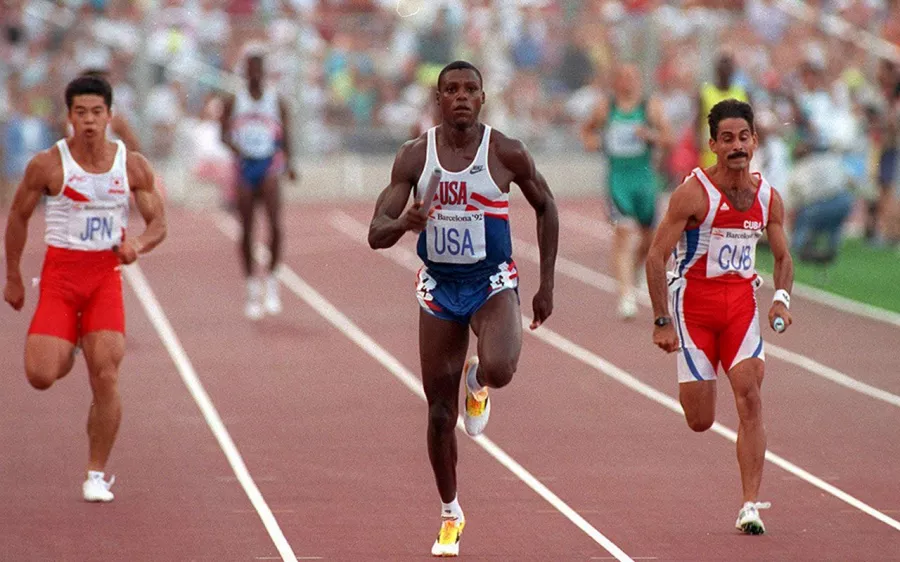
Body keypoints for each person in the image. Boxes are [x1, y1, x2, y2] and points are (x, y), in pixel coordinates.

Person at [367, 60, 558, 557]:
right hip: (439, 287)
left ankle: (479, 382)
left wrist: (547, 285)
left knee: (500, 367)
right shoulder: (414, 157)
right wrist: (406, 221)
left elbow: (546, 206)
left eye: (470, 89)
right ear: (438, 99)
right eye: (450, 89)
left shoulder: (506, 152)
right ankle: (451, 512)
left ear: (483, 98)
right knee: (436, 415)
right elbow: (375, 233)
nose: (460, 97)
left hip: (491, 281)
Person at [3, 74, 167, 502]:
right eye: (81, 113)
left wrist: (137, 245)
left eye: (97, 113)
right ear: (69, 116)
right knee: (41, 375)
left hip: (104, 278)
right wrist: (14, 275)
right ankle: (69, 345)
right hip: (60, 277)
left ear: (110, 116)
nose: (90, 121)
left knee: (107, 374)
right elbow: (18, 217)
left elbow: (158, 224)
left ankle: (96, 473)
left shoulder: (131, 165)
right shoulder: (48, 165)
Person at [645, 99, 794, 535]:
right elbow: (656, 257)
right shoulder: (693, 193)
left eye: (743, 138)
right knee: (700, 420)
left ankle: (750, 505)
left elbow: (783, 256)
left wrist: (781, 297)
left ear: (755, 142)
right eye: (726, 139)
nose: (736, 146)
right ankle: (699, 392)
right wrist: (660, 321)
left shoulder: (767, 197)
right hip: (693, 311)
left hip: (740, 310)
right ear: (712, 144)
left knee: (750, 397)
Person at [581, 63, 673, 319]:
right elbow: (586, 131)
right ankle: (626, 295)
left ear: (639, 81)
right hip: (618, 179)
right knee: (623, 233)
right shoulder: (605, 107)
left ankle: (636, 271)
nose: (627, 82)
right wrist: (593, 142)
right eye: (622, 77)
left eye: (632, 77)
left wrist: (650, 136)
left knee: (649, 237)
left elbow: (669, 139)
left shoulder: (649, 107)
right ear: (615, 81)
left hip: (644, 179)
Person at [220, 46, 297, 320]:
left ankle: (273, 282)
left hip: (268, 163)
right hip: (245, 165)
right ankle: (252, 287)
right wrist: (237, 149)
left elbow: (286, 134)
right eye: (250, 68)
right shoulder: (233, 100)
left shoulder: (277, 100)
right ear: (244, 72)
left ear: (264, 72)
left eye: (258, 68)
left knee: (275, 225)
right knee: (247, 228)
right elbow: (223, 135)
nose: (254, 74)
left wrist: (290, 163)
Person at [697, 53, 748, 169]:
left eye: (728, 66)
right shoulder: (706, 93)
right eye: (722, 65)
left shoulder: (741, 93)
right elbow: (698, 122)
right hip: (712, 150)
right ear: (716, 69)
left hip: (736, 148)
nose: (725, 70)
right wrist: (699, 146)